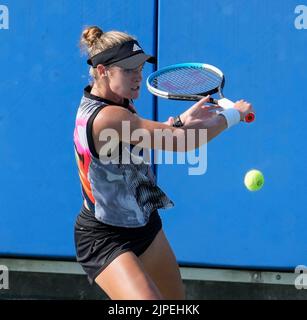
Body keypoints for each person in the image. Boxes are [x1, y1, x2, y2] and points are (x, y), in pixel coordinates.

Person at [73, 26, 254, 300]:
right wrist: (233, 115)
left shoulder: (118, 100)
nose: (138, 77)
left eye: (140, 68)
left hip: (144, 224)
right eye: (129, 69)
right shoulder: (107, 116)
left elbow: (143, 136)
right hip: (104, 237)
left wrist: (179, 122)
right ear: (102, 71)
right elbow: (182, 143)